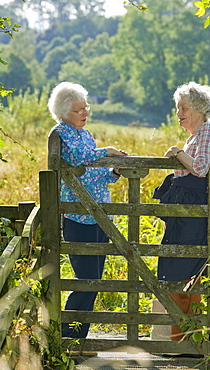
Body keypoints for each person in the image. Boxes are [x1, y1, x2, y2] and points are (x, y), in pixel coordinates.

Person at [48, 81, 128, 339]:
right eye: (78, 110)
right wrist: (109, 151)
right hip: (79, 218)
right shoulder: (61, 133)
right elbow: (82, 158)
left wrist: (112, 171)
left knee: (94, 282)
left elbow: (92, 173)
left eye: (86, 108)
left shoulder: (86, 134)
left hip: (99, 217)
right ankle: (66, 335)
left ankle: (78, 335)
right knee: (86, 281)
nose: (85, 113)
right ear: (62, 113)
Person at [153, 81, 210, 341]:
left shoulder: (206, 132)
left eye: (183, 108)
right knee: (175, 265)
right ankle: (174, 337)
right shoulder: (196, 135)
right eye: (177, 108)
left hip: (192, 217)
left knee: (186, 268)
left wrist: (179, 153)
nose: (178, 113)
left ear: (200, 109)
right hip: (184, 215)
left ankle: (183, 339)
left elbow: (201, 168)